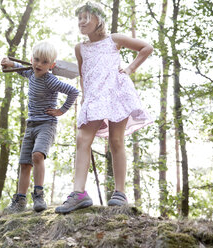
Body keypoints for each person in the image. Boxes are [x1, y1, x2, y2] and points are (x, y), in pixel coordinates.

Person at [55, 2, 154, 214]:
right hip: (94, 97)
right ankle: (79, 193)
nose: (81, 21)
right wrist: (84, 98)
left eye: (86, 17)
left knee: (116, 141)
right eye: (79, 18)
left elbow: (146, 48)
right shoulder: (80, 48)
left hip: (116, 92)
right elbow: (84, 74)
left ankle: (120, 192)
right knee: (82, 139)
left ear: (98, 20)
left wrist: (129, 69)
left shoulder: (114, 40)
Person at [1, 41, 79, 213]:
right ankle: (20, 201)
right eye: (36, 60)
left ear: (51, 65)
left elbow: (73, 91)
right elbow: (18, 67)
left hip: (47, 124)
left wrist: (61, 110)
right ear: (31, 59)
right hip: (31, 124)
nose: (39, 64)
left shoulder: (51, 80)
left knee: (37, 155)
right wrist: (9, 63)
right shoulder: (30, 72)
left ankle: (38, 195)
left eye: (44, 62)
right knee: (24, 163)